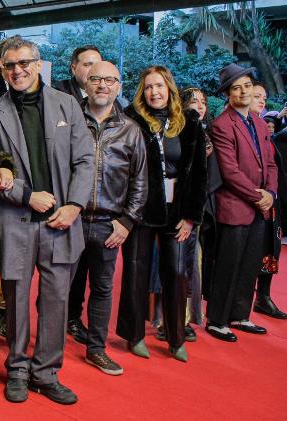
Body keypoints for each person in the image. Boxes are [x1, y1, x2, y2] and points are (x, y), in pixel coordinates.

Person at [0, 35, 94, 405]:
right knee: (17, 299)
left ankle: (46, 372)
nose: (17, 70)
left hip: (61, 220)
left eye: (24, 62)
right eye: (9, 65)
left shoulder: (67, 105)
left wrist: (73, 204)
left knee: (57, 299)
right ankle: (19, 368)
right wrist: (26, 194)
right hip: (15, 221)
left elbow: (85, 160)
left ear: (39, 64)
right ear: (1, 69)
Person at [117, 66, 207, 362]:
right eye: (148, 87)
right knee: (135, 270)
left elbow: (198, 173)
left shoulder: (189, 121)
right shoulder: (131, 118)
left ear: (169, 87)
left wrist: (191, 216)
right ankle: (134, 335)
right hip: (141, 206)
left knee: (177, 272)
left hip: (177, 209)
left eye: (159, 86)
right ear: (142, 91)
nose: (154, 92)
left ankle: (176, 337)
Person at [69, 61, 147, 375]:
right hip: (70, 219)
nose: (103, 85)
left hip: (108, 225)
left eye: (110, 80)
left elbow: (140, 182)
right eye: (97, 79)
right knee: (58, 287)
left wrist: (127, 221)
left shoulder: (131, 129)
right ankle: (50, 348)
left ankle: (96, 349)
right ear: (85, 83)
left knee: (102, 289)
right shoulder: (70, 121)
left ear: (119, 86)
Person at [206, 64, 279, 341]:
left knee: (250, 263)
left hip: (261, 206)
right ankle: (217, 319)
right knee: (228, 263)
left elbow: (271, 163)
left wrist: (270, 194)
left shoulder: (260, 122)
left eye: (247, 85)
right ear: (228, 94)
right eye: (236, 88)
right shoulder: (222, 125)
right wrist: (257, 196)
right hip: (235, 205)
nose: (243, 91)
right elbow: (229, 171)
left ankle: (240, 315)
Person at [180, 87, 222, 340]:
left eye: (203, 102)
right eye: (193, 101)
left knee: (194, 265)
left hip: (203, 208)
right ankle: (169, 318)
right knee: (177, 265)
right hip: (179, 208)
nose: (199, 105)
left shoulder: (208, 135)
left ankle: (188, 316)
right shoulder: (178, 131)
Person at [248, 83, 287, 320]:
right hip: (250, 200)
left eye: (264, 97)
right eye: (257, 96)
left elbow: (273, 166)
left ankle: (263, 296)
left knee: (271, 249)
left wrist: (272, 193)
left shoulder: (264, 128)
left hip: (273, 200)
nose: (262, 100)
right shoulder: (239, 126)